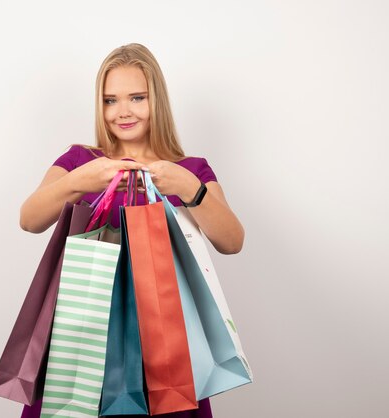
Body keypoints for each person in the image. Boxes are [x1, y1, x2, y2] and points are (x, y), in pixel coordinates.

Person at [19, 43, 244, 418]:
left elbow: (232, 241)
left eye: (137, 97)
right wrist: (80, 181)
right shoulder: (79, 161)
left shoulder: (190, 169)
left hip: (167, 339)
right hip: (82, 332)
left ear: (157, 99)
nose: (122, 111)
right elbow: (30, 219)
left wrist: (189, 188)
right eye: (110, 100)